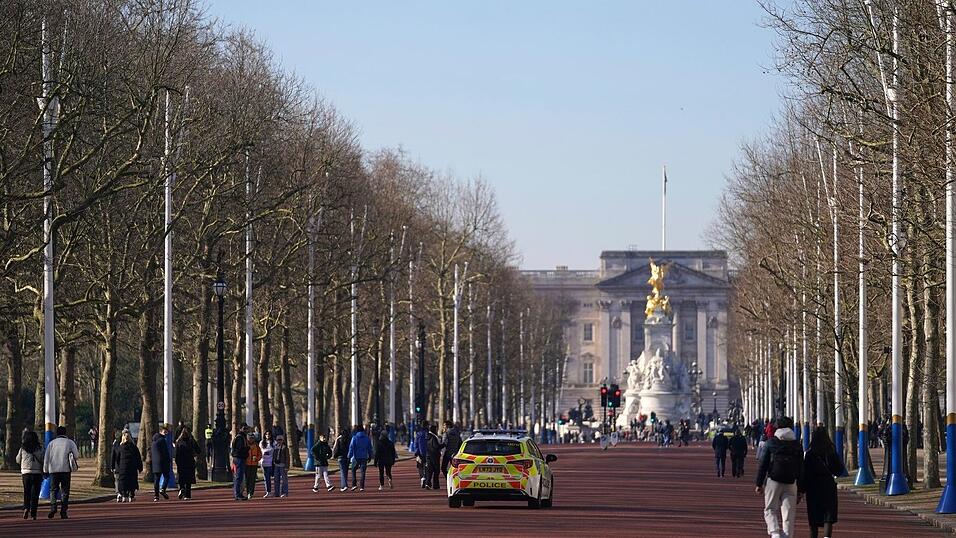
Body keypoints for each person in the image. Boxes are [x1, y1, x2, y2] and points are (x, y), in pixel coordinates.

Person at [755, 416, 803, 538]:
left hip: (773, 480)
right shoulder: (797, 445)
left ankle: (775, 532)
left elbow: (763, 464)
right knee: (788, 513)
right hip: (791, 482)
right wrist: (801, 489)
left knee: (770, 509)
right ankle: (787, 535)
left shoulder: (771, 442)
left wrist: (759, 484)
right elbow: (801, 468)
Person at [799, 427, 845, 538]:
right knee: (828, 516)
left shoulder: (810, 454)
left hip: (813, 487)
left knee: (814, 517)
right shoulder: (831, 452)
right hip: (828, 485)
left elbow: (805, 473)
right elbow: (839, 470)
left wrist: (801, 489)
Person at [43, 425, 79, 519]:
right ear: (65, 433)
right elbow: (76, 455)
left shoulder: (51, 443)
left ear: (57, 433)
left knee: (53, 490)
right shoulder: (70, 443)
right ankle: (63, 510)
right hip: (65, 470)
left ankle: (53, 506)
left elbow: (46, 458)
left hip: (53, 470)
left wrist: (45, 470)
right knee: (65, 491)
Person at [17, 430, 44, 519]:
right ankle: (33, 513)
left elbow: (18, 459)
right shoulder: (39, 448)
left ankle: (26, 508)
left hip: (25, 472)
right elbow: (43, 459)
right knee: (35, 493)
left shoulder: (23, 448)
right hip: (37, 472)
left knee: (27, 491)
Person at [113, 430, 142, 503]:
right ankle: (131, 496)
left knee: (123, 481)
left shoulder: (121, 447)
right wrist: (140, 467)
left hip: (123, 467)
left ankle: (123, 495)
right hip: (132, 467)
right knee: (132, 481)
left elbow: (117, 458)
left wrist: (117, 466)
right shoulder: (134, 447)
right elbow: (138, 458)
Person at [174, 427, 200, 500]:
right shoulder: (191, 441)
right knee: (188, 480)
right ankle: (187, 495)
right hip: (189, 461)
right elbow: (198, 450)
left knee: (181, 478)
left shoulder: (179, 442)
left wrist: (177, 462)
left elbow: (176, 453)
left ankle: (182, 488)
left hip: (181, 462)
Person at [348, 424, 373, 492]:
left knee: (353, 470)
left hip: (355, 457)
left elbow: (351, 448)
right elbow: (369, 448)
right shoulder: (367, 438)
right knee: (363, 472)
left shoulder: (354, 438)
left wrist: (349, 456)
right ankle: (362, 486)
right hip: (364, 457)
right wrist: (370, 455)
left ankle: (354, 484)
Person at [150, 425, 172, 501]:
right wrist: (168, 460)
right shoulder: (162, 440)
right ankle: (163, 489)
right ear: (161, 432)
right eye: (165, 432)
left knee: (157, 479)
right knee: (166, 476)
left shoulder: (153, 441)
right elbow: (165, 452)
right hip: (163, 462)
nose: (166, 433)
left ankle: (156, 496)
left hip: (155, 462)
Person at [230, 425, 250, 501]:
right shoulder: (240, 437)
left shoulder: (242, 437)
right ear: (240, 429)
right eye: (244, 428)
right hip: (239, 458)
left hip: (240, 458)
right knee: (239, 477)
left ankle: (239, 493)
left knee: (240, 477)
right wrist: (247, 449)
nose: (246, 430)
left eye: (246, 429)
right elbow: (239, 449)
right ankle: (237, 494)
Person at [332, 427, 352, 492]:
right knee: (345, 472)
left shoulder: (339, 439)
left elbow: (336, 448)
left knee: (343, 472)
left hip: (341, 457)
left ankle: (344, 485)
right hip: (347, 457)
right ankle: (344, 484)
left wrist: (335, 455)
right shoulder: (350, 439)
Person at [425, 424, 444, 490]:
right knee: (436, 470)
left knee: (429, 470)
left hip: (428, 455)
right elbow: (436, 446)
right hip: (435, 456)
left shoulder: (428, 436)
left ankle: (428, 483)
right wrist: (443, 445)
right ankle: (435, 485)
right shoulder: (433, 437)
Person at [244, 432, 262, 499]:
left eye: (252, 438)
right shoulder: (245, 445)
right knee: (247, 479)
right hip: (247, 464)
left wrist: (257, 458)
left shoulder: (256, 445)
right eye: (250, 438)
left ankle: (250, 492)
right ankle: (247, 491)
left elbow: (260, 454)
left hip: (254, 464)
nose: (251, 439)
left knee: (252, 479)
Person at [260, 430, 275, 497]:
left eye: (269, 434)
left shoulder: (274, 443)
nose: (268, 435)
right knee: (266, 478)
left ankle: (275, 490)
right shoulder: (261, 443)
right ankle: (268, 491)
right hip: (263, 462)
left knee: (272, 477)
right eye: (266, 434)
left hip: (271, 462)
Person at [414, 421, 429, 488]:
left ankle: (422, 478)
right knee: (427, 467)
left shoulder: (418, 434)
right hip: (428, 453)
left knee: (420, 467)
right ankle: (426, 479)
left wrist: (416, 453)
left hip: (420, 453)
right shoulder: (429, 434)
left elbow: (416, 444)